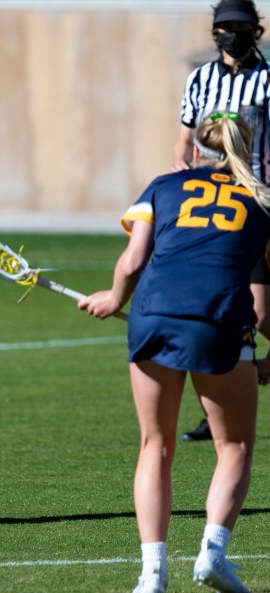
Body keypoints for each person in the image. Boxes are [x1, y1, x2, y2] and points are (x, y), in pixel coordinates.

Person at [79, 112, 270, 593]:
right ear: (245, 149)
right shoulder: (262, 202)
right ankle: (212, 554)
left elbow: (134, 258)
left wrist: (113, 297)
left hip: (153, 315)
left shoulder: (163, 187)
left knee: (155, 446)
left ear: (194, 150)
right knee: (235, 448)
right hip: (219, 321)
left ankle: (152, 574)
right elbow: (264, 306)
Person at [172, 0, 270, 442]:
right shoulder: (200, 79)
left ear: (257, 30)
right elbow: (183, 142)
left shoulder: (268, 80)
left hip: (257, 205)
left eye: (241, 27)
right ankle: (217, 413)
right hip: (210, 208)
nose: (233, 34)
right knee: (209, 307)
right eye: (225, 27)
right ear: (214, 32)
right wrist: (181, 178)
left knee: (260, 311)